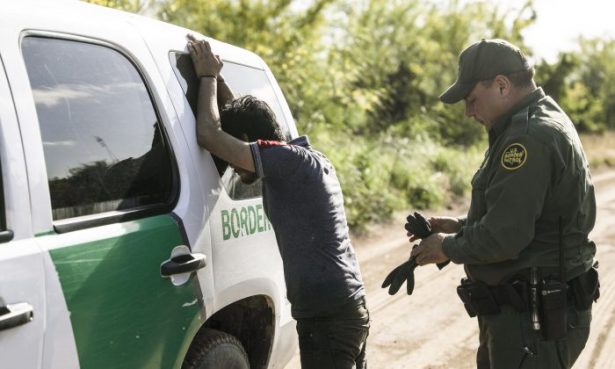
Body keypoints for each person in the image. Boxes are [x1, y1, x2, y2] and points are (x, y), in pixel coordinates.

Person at [409, 39, 599, 369]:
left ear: (501, 85)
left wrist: (448, 247)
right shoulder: (535, 121)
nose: (469, 112)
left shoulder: (527, 136)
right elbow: (533, 217)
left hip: (533, 322)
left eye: (472, 100)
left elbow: (505, 237)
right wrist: (462, 227)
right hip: (529, 318)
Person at [186, 35, 369, 369]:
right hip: (343, 308)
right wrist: (220, 78)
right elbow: (247, 122)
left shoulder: (285, 161)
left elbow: (210, 136)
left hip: (329, 319)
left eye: (234, 153)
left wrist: (207, 78)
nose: (231, 166)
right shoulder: (302, 159)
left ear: (247, 142)